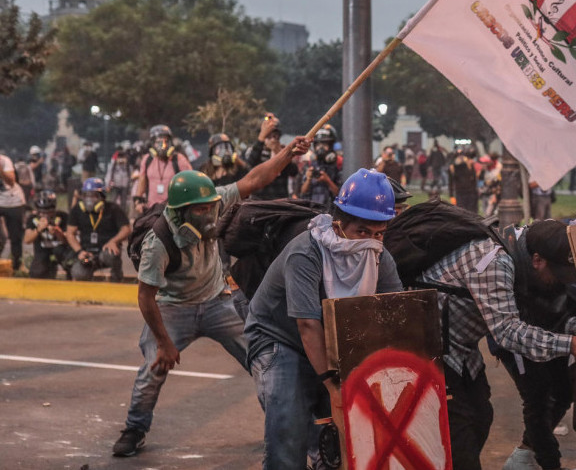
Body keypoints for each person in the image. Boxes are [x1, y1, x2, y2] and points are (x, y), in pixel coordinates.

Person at [111, 135, 310, 458]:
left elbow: (255, 178)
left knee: (263, 361)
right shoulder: (158, 243)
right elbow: (146, 297)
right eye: (201, 211)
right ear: (180, 212)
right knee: (153, 370)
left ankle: (281, 427)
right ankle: (135, 428)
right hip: (173, 308)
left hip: (219, 302)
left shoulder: (215, 199)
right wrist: (164, 343)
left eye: (211, 208)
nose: (209, 216)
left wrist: (288, 152)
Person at [244, 169, 402, 469]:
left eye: (378, 233)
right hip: (279, 337)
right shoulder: (307, 252)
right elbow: (307, 325)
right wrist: (333, 386)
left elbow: (394, 314)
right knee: (289, 430)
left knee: (339, 441)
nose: (370, 240)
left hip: (330, 339)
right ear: (340, 224)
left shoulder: (380, 256)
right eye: (362, 231)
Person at [416, 218, 576, 470]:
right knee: (461, 437)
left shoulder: (524, 250)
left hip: (464, 351)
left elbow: (549, 320)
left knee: (481, 416)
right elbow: (507, 332)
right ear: (537, 260)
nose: (558, 281)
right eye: (556, 273)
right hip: (434, 351)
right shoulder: (496, 264)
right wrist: (571, 344)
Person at [67, 178, 130, 282]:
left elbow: (126, 229)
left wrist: (113, 241)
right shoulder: (77, 210)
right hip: (87, 252)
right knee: (78, 272)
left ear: (102, 196)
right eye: (86, 195)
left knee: (111, 254)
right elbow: (70, 233)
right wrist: (79, 251)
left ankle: (117, 278)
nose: (89, 199)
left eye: (93, 195)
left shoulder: (113, 209)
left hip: (105, 250)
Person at [134, 125, 194, 213]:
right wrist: (138, 201)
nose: (162, 146)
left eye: (165, 141)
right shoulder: (147, 160)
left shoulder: (179, 159)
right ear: (152, 143)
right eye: (158, 142)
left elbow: (190, 182)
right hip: (151, 210)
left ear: (170, 143)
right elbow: (142, 181)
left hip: (173, 210)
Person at [245, 114, 299, 201]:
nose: (272, 138)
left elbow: (294, 171)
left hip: (280, 200)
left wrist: (278, 151)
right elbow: (249, 166)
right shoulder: (254, 150)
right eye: (268, 135)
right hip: (259, 201)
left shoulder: (283, 150)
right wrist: (260, 142)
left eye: (274, 135)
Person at [24, 190, 70, 279]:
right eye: (42, 212)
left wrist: (58, 232)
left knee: (71, 264)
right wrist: (38, 230)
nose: (45, 215)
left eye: (48, 212)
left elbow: (68, 240)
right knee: (37, 272)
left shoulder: (63, 216)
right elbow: (27, 240)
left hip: (60, 250)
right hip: (42, 251)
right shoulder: (33, 219)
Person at [300, 124, 342, 207]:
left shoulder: (338, 164)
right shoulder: (310, 164)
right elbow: (302, 192)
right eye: (318, 145)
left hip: (331, 210)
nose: (321, 148)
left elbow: (341, 194)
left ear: (331, 146)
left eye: (324, 144)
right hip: (312, 210)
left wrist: (327, 180)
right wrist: (308, 179)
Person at [1, 151, 28, 271]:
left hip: (13, 200)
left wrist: (0, 170)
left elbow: (11, 182)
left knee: (15, 235)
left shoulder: (4, 161)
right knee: (2, 238)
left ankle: (17, 265)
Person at [449, 148, 480, 213]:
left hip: (471, 193)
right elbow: (451, 182)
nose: (461, 157)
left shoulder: (469, 165)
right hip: (460, 193)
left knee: (472, 213)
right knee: (461, 212)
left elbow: (474, 180)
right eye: (458, 156)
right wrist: (451, 196)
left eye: (462, 155)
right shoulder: (453, 168)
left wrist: (475, 193)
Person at [105, 145, 135, 211]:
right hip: (115, 185)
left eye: (123, 158)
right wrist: (107, 184)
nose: (121, 160)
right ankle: (111, 213)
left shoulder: (128, 166)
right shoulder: (113, 166)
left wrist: (130, 185)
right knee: (113, 200)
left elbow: (131, 176)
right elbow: (109, 175)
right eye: (119, 158)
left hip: (124, 186)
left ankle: (122, 214)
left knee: (123, 203)